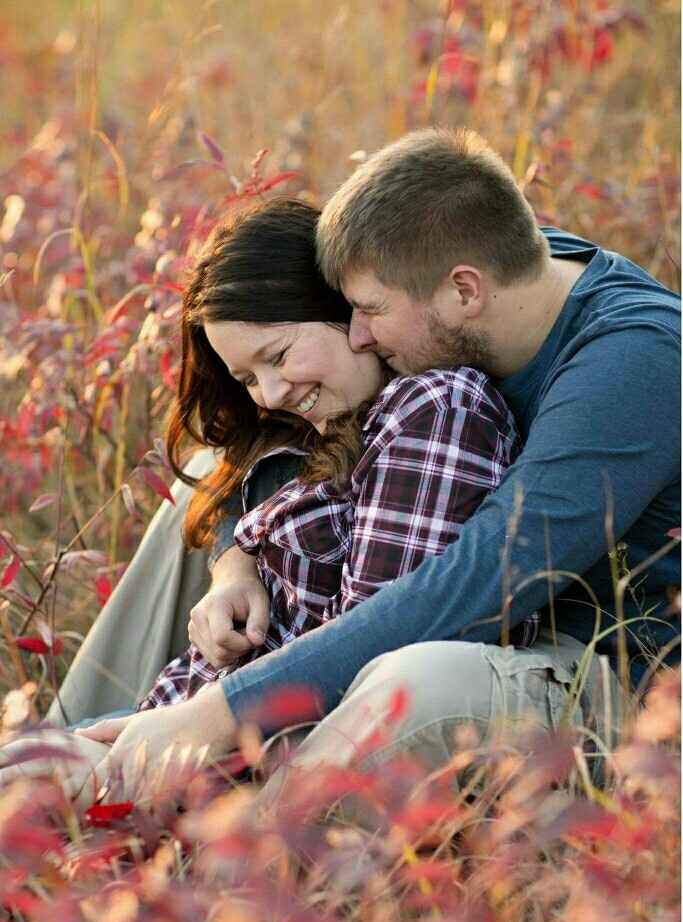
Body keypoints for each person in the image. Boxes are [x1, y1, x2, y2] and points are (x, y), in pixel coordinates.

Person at [58, 127, 681, 806]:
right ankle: (58, 753)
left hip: (614, 679)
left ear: (464, 292)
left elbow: (477, 584)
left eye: (369, 312)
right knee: (207, 481)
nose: (356, 332)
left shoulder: (634, 363)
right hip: (502, 636)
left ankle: (229, 863)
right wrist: (233, 558)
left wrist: (221, 713)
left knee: (413, 680)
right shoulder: (462, 259)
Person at [2, 196, 532, 805]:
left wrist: (111, 771)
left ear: (348, 309)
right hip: (165, 736)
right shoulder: (330, 427)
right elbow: (229, 470)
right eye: (249, 378)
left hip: (210, 771)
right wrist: (234, 563)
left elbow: (362, 677)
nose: (272, 393)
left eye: (277, 356)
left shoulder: (433, 408)